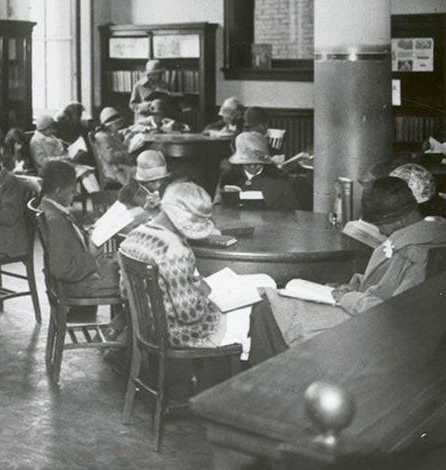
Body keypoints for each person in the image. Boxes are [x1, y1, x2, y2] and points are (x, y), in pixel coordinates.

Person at [249, 177, 446, 363]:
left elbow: (395, 315)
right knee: (275, 303)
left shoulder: (415, 251)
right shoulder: (427, 236)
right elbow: (387, 282)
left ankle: (279, 381)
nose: (380, 232)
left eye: (380, 225)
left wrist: (348, 298)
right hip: (366, 313)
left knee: (268, 307)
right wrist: (356, 284)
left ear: (399, 220)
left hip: (373, 329)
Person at [119, 182, 268, 354]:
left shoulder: (135, 234)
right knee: (256, 305)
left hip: (145, 328)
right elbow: (189, 315)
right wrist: (203, 294)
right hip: (178, 333)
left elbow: (125, 292)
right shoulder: (176, 250)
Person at [39, 159, 120, 300]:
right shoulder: (57, 222)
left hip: (79, 274)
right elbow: (62, 269)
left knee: (116, 261)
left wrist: (85, 234)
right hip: (80, 285)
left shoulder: (48, 207)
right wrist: (92, 254)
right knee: (132, 281)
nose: (75, 193)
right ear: (58, 192)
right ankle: (121, 322)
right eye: (71, 191)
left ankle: (119, 322)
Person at [217, 132, 297, 210]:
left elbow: (291, 212)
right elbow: (216, 207)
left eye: (257, 163)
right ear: (239, 162)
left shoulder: (279, 180)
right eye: (247, 164)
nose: (252, 167)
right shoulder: (228, 179)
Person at [91, 107, 134, 189]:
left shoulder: (110, 134)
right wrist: (128, 153)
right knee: (143, 171)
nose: (118, 126)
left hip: (119, 167)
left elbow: (116, 143)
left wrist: (126, 138)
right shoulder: (102, 137)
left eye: (119, 123)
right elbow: (110, 157)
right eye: (116, 124)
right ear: (107, 125)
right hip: (115, 172)